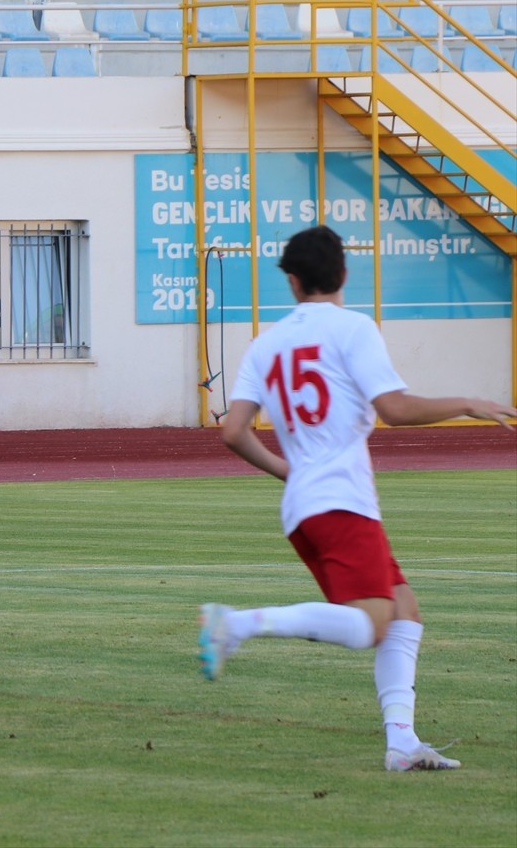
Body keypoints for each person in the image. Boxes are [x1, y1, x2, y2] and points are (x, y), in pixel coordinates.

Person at [200, 225, 515, 772]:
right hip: (342, 501)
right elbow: (393, 409)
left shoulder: (266, 343)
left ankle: (402, 743)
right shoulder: (353, 327)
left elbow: (232, 431)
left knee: (405, 612)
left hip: (307, 505)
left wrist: (289, 471)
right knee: (372, 624)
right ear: (344, 274)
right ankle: (237, 623)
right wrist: (468, 401)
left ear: (293, 282)